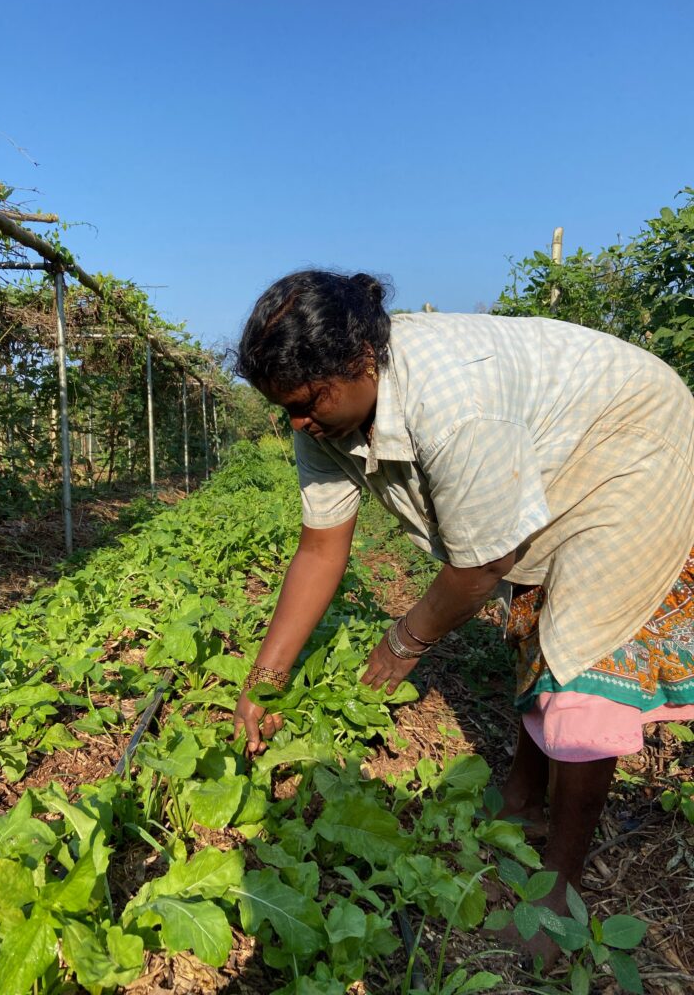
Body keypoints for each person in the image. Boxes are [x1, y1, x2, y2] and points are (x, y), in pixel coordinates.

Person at [233, 269, 694, 965]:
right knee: (537, 625)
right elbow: (321, 548)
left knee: (583, 661)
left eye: (304, 404)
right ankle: (522, 799)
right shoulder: (320, 415)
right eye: (284, 408)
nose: (296, 422)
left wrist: (404, 640)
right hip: (560, 447)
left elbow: (480, 566)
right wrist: (264, 679)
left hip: (633, 440)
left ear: (361, 360)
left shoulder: (454, 401)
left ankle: (559, 896)